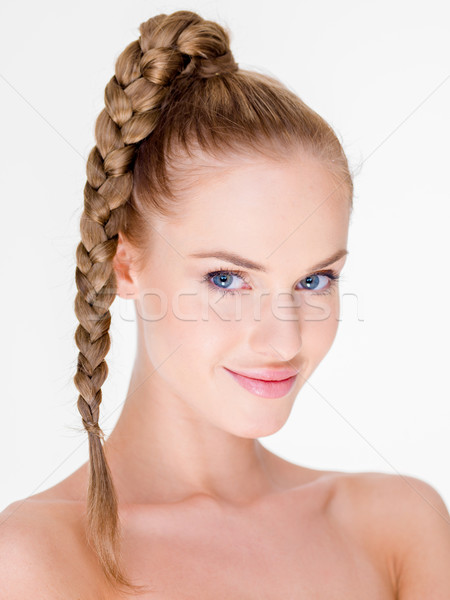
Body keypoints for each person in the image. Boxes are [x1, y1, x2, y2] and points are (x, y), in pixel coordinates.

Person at [1, 9, 450, 599]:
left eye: (315, 281)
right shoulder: (37, 557)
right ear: (125, 265)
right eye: (226, 279)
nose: (284, 341)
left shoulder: (399, 527)